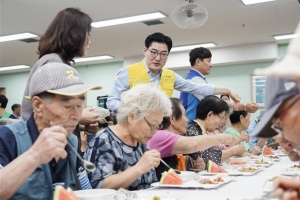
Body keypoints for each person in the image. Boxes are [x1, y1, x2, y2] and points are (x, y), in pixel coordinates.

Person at [0, 62, 101, 199]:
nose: (76, 115)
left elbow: (86, 191)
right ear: (38, 105)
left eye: (79, 105)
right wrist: (34, 155)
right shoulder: (7, 138)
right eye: (67, 106)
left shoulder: (71, 141)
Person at [106, 33, 241, 113]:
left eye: (163, 54)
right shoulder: (128, 71)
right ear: (145, 51)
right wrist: (132, 111)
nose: (158, 58)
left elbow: (196, 87)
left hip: (159, 130)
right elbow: (112, 101)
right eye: (153, 52)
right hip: (132, 130)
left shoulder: (170, 75)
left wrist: (228, 90)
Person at [84, 84, 172, 190]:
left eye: (158, 126)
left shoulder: (140, 141)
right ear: (132, 116)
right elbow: (98, 187)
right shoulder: (103, 141)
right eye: (152, 125)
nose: (154, 131)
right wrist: (139, 168)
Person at [22, 7, 93, 120]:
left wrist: (81, 125)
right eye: (87, 34)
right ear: (75, 34)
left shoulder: (58, 61)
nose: (89, 41)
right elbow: (48, 115)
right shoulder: (53, 63)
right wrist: (80, 117)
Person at [147, 98, 237, 179]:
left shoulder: (174, 137)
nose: (187, 119)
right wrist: (220, 138)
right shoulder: (160, 135)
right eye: (184, 115)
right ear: (173, 119)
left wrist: (196, 165)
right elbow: (193, 145)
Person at [180, 47, 259, 122]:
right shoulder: (194, 80)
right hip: (191, 127)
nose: (211, 65)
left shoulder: (195, 78)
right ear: (198, 62)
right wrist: (244, 106)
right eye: (208, 61)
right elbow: (215, 103)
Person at [183, 96, 247, 166]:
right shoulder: (192, 131)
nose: (222, 122)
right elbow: (204, 158)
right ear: (209, 115)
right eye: (221, 118)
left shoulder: (203, 131)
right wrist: (232, 152)